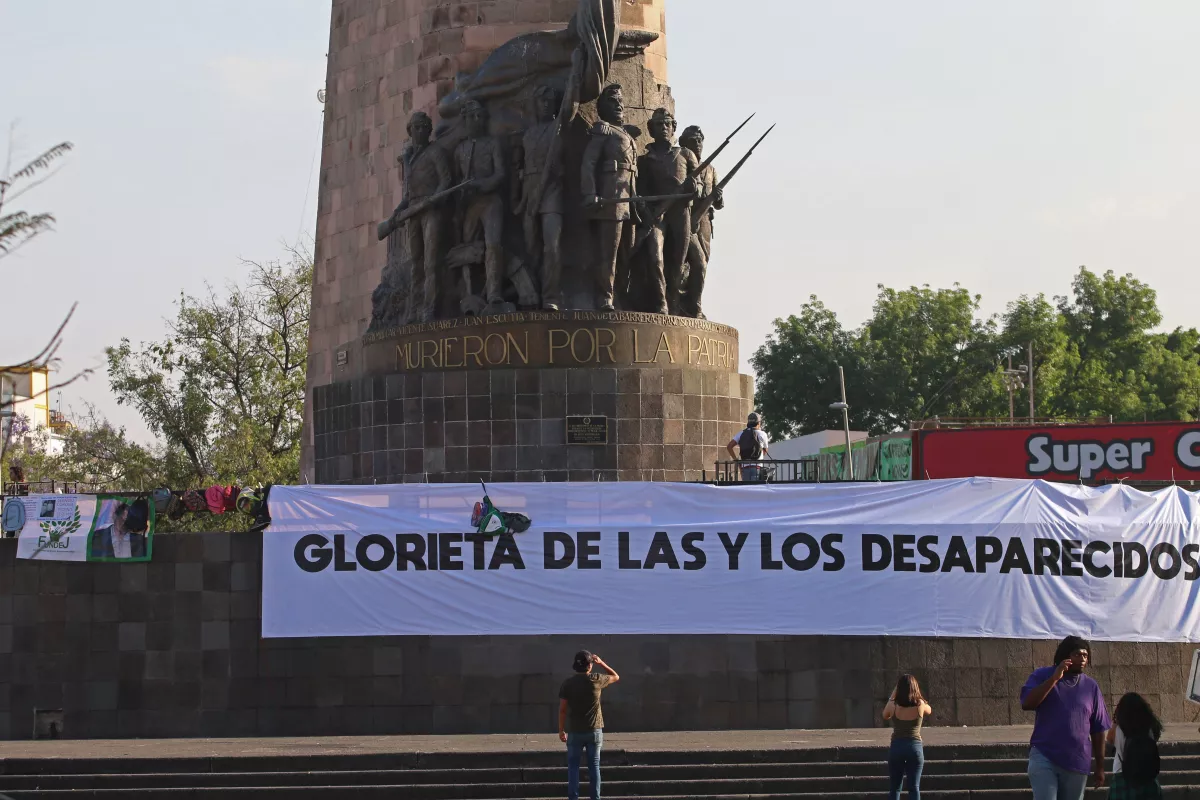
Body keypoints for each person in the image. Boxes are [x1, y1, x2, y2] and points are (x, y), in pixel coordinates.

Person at [1020, 635, 1112, 799]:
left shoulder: (1090, 686)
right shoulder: (1043, 675)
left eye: (1085, 655)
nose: (1082, 659)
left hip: (1077, 761)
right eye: (1077, 654)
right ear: (1065, 656)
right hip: (1044, 756)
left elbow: (1098, 730)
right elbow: (1028, 703)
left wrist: (1100, 766)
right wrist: (1054, 679)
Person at [389, 111, 452, 324]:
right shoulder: (409, 159)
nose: (419, 131)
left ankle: (429, 308)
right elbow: (407, 194)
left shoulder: (436, 152)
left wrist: (434, 199)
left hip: (431, 210)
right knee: (416, 263)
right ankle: (412, 311)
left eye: (423, 127)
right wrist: (397, 213)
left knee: (430, 262)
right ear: (410, 131)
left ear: (429, 130)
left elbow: (446, 180)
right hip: (413, 212)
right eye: (415, 128)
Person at [637, 108, 700, 315]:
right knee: (656, 258)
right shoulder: (644, 161)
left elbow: (698, 186)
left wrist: (693, 188)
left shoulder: (685, 154)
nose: (663, 127)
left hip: (681, 214)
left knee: (678, 262)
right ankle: (660, 302)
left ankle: (674, 303)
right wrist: (648, 211)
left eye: (667, 124)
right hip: (658, 215)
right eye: (658, 124)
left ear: (674, 127)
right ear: (651, 129)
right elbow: (641, 192)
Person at [581, 85, 639, 312]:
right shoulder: (603, 130)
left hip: (629, 200)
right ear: (603, 107)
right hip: (610, 198)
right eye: (613, 101)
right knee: (609, 252)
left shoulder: (625, 133)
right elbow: (588, 163)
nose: (619, 105)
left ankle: (622, 296)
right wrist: (590, 193)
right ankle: (605, 297)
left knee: (628, 250)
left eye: (621, 101)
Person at [516, 85, 565, 311]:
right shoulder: (528, 134)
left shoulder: (559, 128)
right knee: (530, 247)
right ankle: (531, 293)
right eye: (542, 101)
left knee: (552, 246)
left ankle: (551, 296)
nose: (546, 105)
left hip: (552, 192)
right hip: (530, 193)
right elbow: (520, 169)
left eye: (550, 101)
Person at [558, 650, 620, 800]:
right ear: (590, 666)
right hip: (594, 730)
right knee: (594, 767)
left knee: (573, 768)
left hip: (574, 731)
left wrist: (561, 730)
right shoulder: (596, 679)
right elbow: (616, 676)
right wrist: (602, 663)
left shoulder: (568, 684)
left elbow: (563, 710)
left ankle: (573, 797)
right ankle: (595, 798)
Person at [679, 125, 723, 319]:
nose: (697, 144)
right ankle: (690, 306)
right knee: (692, 264)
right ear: (684, 143)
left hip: (705, 221)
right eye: (693, 140)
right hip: (686, 217)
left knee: (703, 263)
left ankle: (694, 303)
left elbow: (720, 204)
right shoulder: (682, 163)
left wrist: (718, 196)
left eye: (700, 140)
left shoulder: (711, 169)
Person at [882, 674, 932, 800]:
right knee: (914, 788)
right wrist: (918, 694)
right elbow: (929, 710)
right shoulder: (920, 704)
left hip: (897, 747)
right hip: (914, 747)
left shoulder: (893, 705)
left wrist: (893, 695)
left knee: (895, 788)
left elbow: (885, 715)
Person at [1106, 692, 1163, 799]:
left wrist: (1115, 721)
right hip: (1147, 778)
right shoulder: (1149, 729)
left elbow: (1109, 739)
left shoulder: (1119, 730)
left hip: (1122, 776)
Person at [727, 412, 770, 482]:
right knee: (756, 489)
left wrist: (736, 460)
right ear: (758, 423)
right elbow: (765, 450)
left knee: (747, 488)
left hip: (745, 467)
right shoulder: (763, 434)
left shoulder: (741, 433)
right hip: (757, 467)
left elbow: (729, 446)